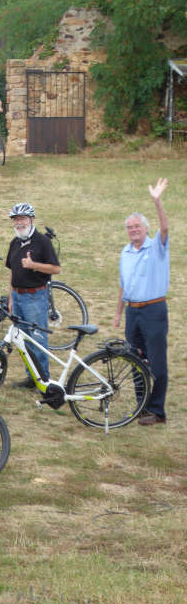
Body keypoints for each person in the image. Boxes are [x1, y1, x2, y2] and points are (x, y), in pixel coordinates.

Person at [113, 178, 169, 426]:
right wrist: (117, 313)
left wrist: (157, 201)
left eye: (137, 226)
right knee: (134, 360)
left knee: (156, 363)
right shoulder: (125, 253)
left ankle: (157, 411)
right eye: (129, 227)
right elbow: (123, 285)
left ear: (146, 229)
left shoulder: (157, 247)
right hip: (132, 313)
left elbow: (165, 228)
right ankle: (141, 407)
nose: (133, 229)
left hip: (153, 311)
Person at [5, 203, 60, 390]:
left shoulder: (42, 242)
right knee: (24, 341)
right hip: (18, 297)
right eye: (16, 220)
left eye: (22, 219)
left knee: (38, 341)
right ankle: (32, 377)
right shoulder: (14, 243)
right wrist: (11, 298)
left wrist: (34, 265)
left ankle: (43, 380)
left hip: (35, 297)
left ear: (31, 220)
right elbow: (12, 271)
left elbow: (55, 268)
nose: (19, 223)